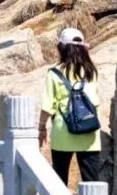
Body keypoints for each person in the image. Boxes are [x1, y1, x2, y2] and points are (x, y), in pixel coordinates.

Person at [39, 25, 101, 185]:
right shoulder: (91, 72)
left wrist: (41, 128)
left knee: (59, 180)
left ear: (61, 48)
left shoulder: (54, 73)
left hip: (63, 131)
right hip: (89, 130)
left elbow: (47, 105)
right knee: (92, 181)